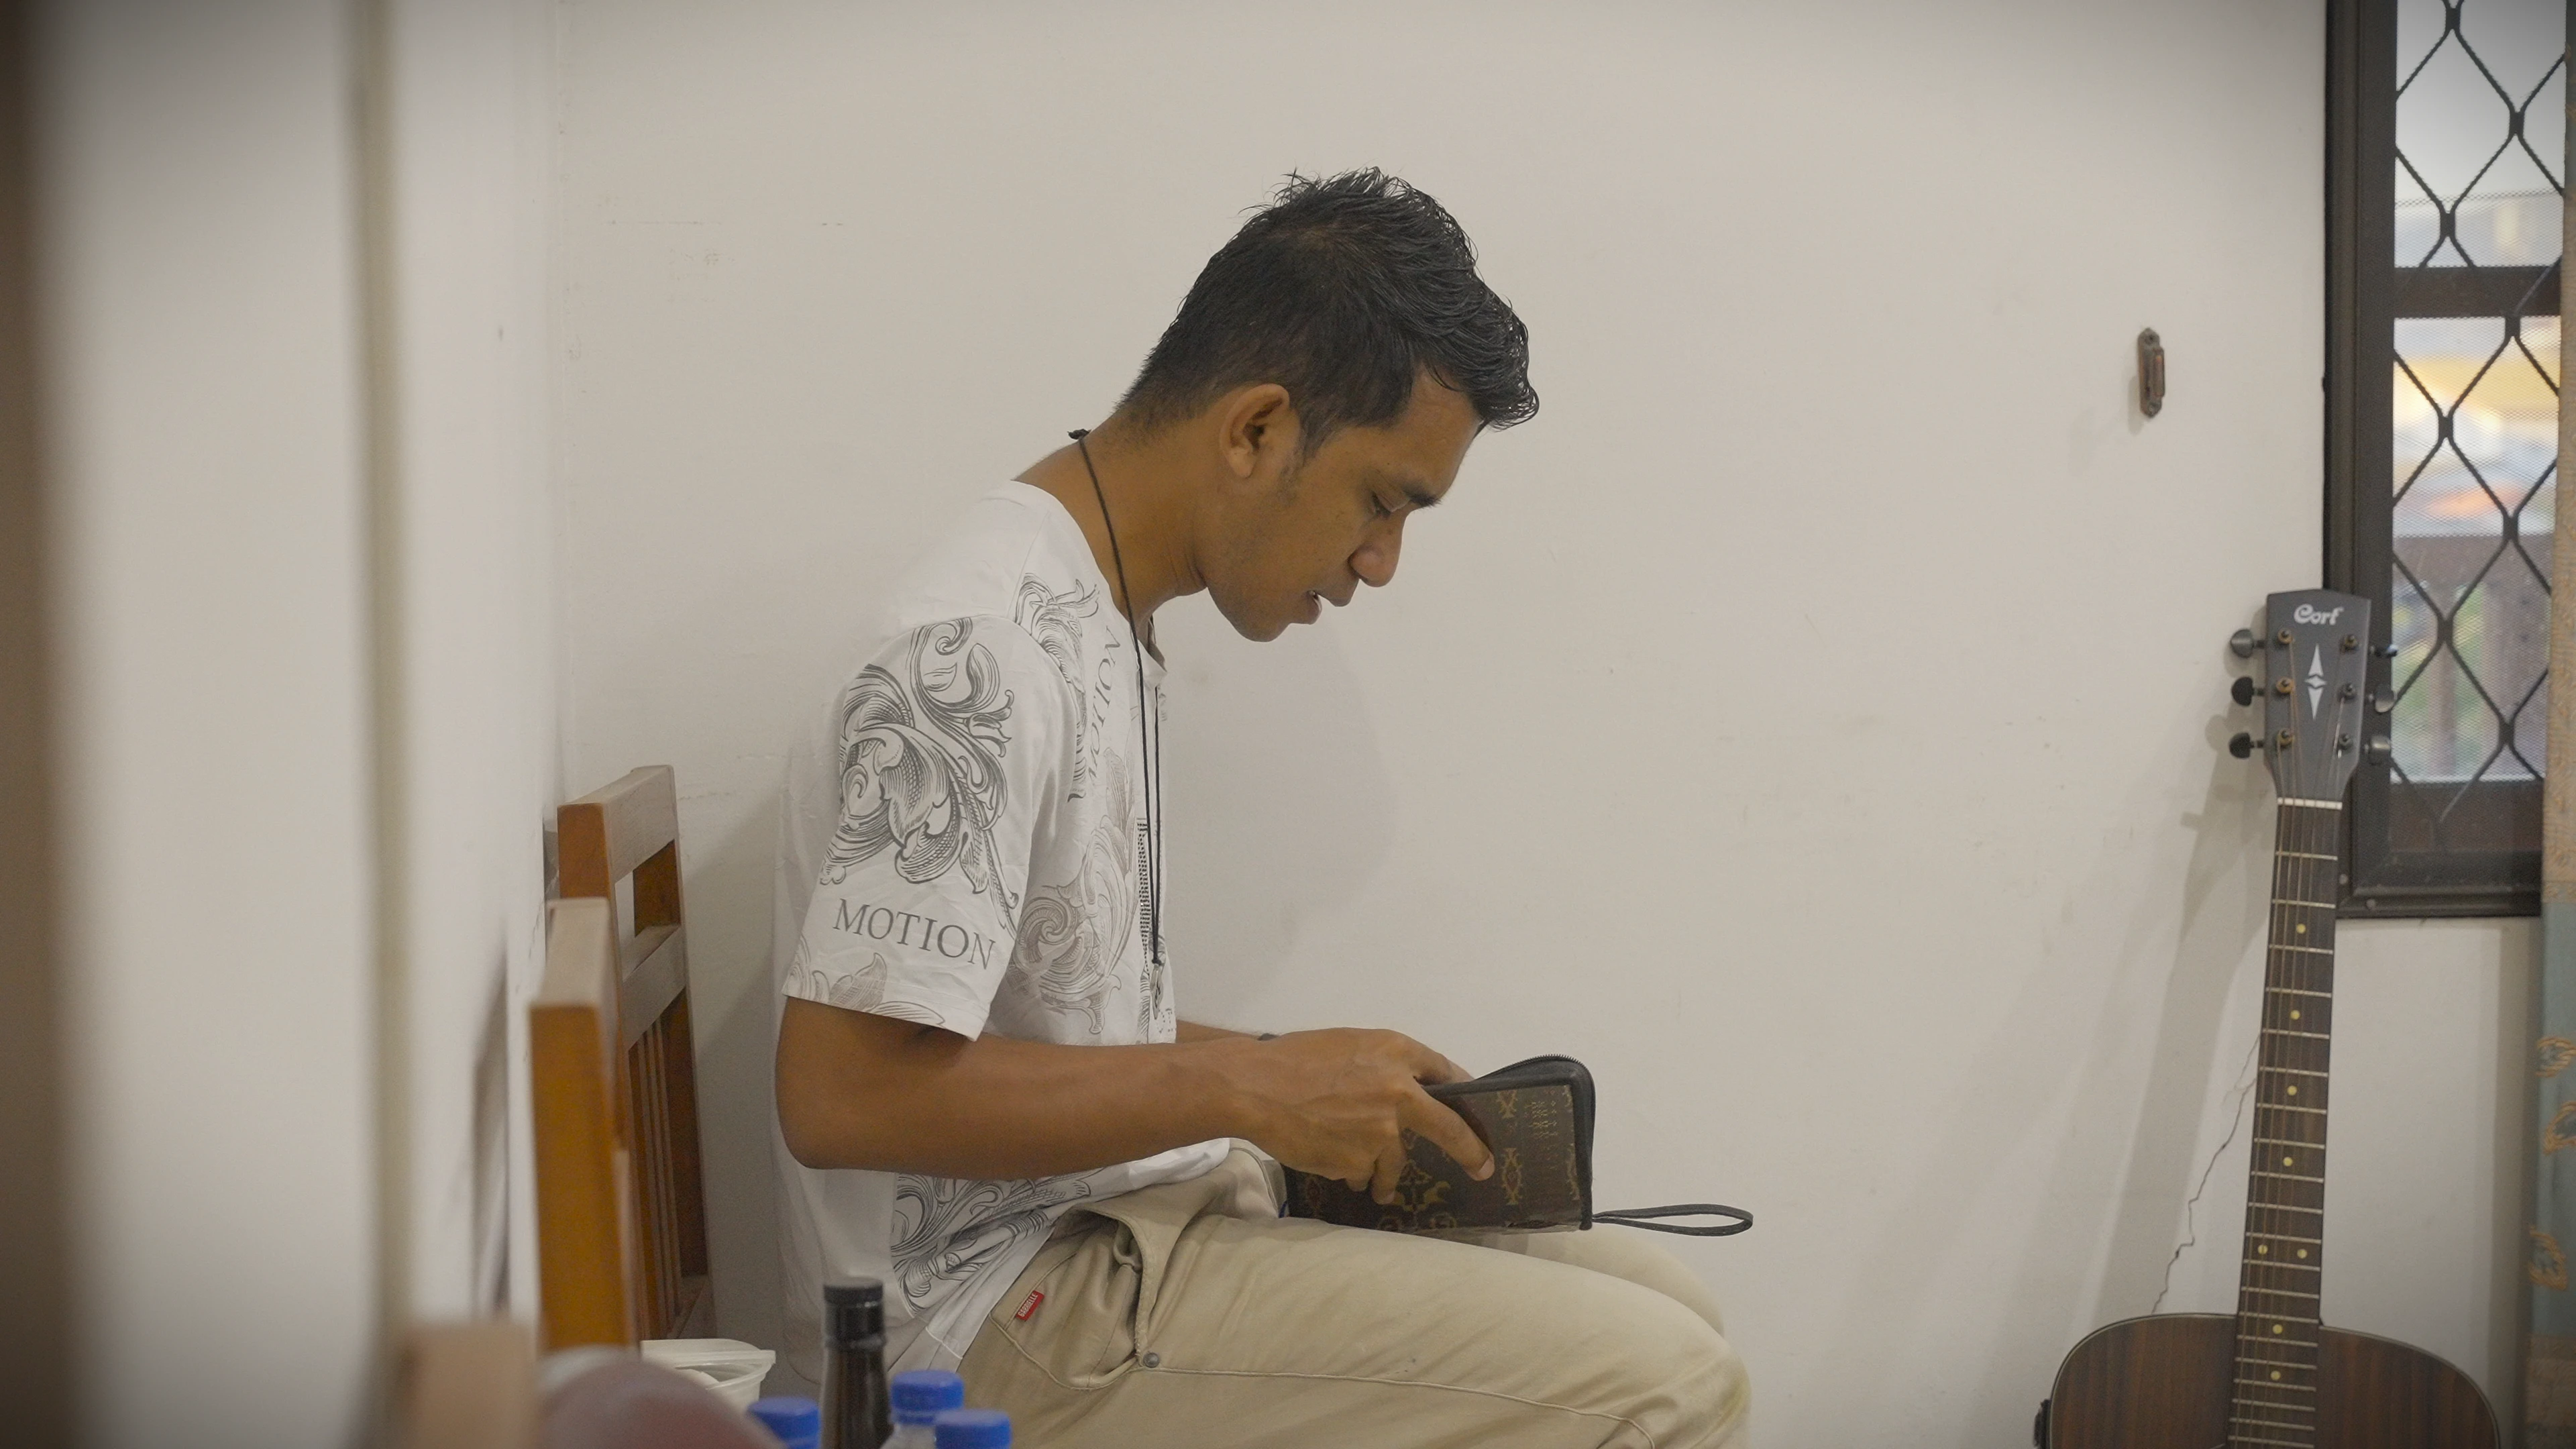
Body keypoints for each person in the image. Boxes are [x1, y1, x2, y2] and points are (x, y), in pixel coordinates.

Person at [771, 170, 1748, 1448]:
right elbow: (843, 1095)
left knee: (1674, 1305)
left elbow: (1032, 1011)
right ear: (1257, 431)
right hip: (984, 1323)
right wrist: (1249, 1084)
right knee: (1670, 1384)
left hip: (1113, 1228)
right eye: (1384, 500)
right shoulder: (976, 657)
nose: (1381, 562)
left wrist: (1303, 1076)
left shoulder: (1094, 614)